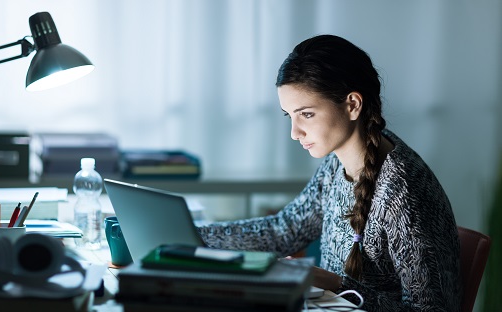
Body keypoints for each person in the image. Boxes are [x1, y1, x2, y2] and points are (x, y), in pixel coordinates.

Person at [197, 34, 461, 311]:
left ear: (352, 105)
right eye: (290, 115)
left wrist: (336, 285)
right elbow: (285, 230)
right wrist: (193, 236)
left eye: (307, 114)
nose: (294, 133)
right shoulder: (341, 160)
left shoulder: (402, 193)